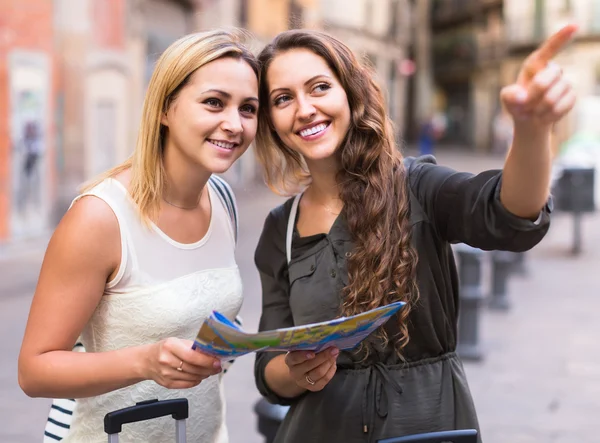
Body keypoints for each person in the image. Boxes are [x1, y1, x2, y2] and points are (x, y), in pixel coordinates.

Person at [252, 24, 577, 443]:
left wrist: (532, 131)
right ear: (272, 122)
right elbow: (268, 370)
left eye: (318, 88)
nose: (304, 108)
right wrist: (294, 371)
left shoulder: (417, 187)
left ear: (350, 94)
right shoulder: (280, 228)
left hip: (427, 427)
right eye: (283, 99)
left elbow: (507, 213)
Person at [18, 28, 259, 443]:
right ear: (166, 108)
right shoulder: (100, 217)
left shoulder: (223, 199)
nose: (234, 124)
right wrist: (144, 362)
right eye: (214, 103)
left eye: (249, 109)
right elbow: (34, 371)